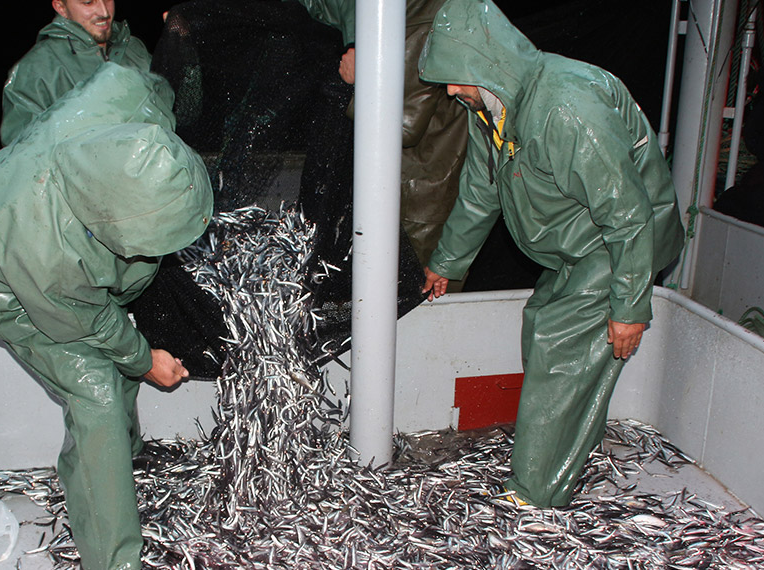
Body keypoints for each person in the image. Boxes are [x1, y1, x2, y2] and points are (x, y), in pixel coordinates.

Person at [419, 0, 685, 508]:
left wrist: (630, 306)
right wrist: (447, 263)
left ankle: (534, 497)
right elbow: (481, 190)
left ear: (484, 61)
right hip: (581, 245)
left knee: (559, 342)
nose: (451, 90)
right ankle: (554, 458)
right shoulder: (493, 107)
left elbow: (628, 214)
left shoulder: (564, 107)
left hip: (619, 244)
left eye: (455, 76)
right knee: (544, 321)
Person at [0, 63, 212, 570]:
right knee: (97, 392)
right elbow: (89, 323)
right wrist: (142, 360)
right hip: (0, 280)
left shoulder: (127, 97)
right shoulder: (41, 251)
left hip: (63, 231)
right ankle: (112, 559)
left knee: (132, 311)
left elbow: (146, 82)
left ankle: (129, 454)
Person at [293, 0, 468, 266]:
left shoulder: (423, 22)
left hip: (418, 207)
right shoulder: (406, 8)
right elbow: (336, 7)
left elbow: (402, 127)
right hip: (413, 195)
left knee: (408, 301)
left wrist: (358, 80)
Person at [0, 0, 170, 146]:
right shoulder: (36, 67)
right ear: (61, 7)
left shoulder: (135, 50)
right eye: (88, 2)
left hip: (149, 176)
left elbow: (177, 106)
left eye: (108, 0)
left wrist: (180, 45)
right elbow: (21, 151)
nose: (104, 12)